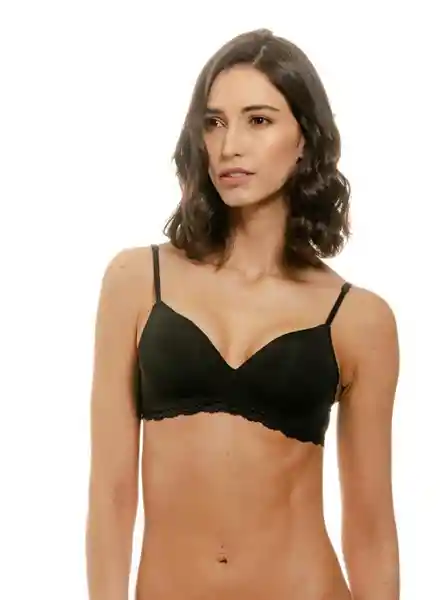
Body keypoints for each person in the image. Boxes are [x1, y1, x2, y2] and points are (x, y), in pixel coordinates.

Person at [85, 28, 400, 600]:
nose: (229, 145)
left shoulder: (359, 319)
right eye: (214, 122)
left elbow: (371, 527)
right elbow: (110, 493)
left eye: (258, 120)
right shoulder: (137, 282)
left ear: (304, 140)